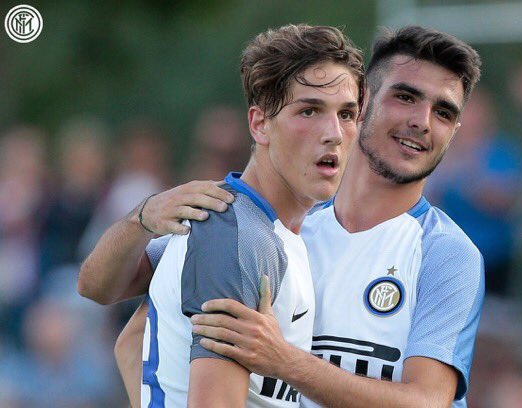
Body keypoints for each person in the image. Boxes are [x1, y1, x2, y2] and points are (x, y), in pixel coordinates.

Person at [81, 25, 484, 408]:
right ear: (366, 104)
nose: (422, 122)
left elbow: (428, 402)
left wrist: (285, 361)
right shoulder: (256, 226)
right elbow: (126, 322)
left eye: (443, 113)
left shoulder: (446, 254)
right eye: (406, 97)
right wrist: (141, 217)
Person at [78, 24, 365, 408]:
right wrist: (140, 217)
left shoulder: (263, 226)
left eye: (346, 114)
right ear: (259, 124)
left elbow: (130, 337)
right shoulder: (234, 231)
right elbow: (97, 289)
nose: (334, 133)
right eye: (309, 111)